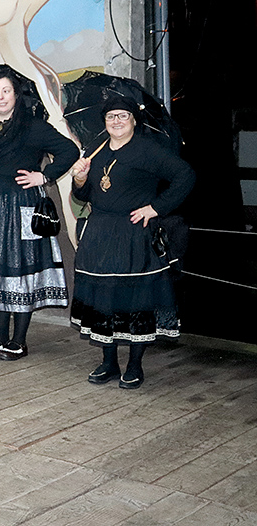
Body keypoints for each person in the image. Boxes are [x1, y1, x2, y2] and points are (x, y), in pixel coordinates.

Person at [0, 68, 78, 361]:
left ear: (16, 95)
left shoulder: (33, 126)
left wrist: (44, 176)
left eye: (6, 91)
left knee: (20, 269)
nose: (0, 97)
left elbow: (69, 150)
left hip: (20, 204)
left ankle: (18, 341)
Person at [69, 97, 194, 389]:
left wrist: (156, 208)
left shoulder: (148, 150)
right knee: (104, 299)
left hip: (133, 234)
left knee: (136, 299)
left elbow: (185, 176)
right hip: (99, 233)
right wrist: (80, 179)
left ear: (134, 120)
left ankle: (135, 365)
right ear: (104, 121)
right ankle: (109, 362)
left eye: (123, 115)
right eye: (111, 116)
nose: (116, 121)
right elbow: (84, 196)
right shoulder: (96, 150)